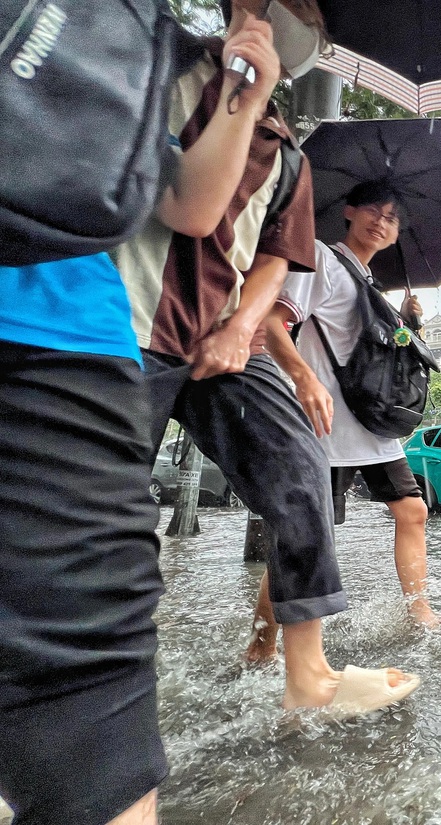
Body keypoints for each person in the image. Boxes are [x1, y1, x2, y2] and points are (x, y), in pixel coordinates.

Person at [0, 11, 288, 823]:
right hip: (106, 346)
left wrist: (246, 87)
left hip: (62, 346)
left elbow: (192, 205)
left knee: (95, 724)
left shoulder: (126, 34)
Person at [114, 0, 417, 714]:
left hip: (221, 334)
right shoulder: (158, 65)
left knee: (301, 469)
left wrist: (240, 326)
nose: (298, 20)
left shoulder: (290, 159)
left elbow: (276, 262)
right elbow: (178, 204)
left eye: (312, 15)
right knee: (85, 517)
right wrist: (237, 95)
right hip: (119, 319)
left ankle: (305, 670)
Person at [244, 181, 441, 664]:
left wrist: (408, 322)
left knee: (412, 512)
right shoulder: (318, 259)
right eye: (374, 210)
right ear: (349, 212)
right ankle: (263, 641)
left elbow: (375, 350)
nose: (382, 222)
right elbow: (271, 324)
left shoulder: (373, 286)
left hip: (372, 427)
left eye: (393, 218)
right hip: (325, 423)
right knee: (307, 535)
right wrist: (303, 379)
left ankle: (421, 611)